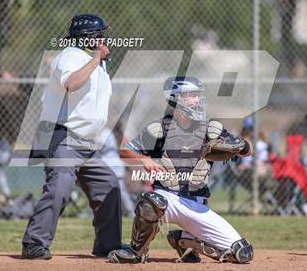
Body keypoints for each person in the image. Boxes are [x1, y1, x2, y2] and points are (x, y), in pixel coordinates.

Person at [108, 76, 254, 264]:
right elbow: (124, 152)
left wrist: (239, 145)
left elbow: (246, 151)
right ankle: (137, 251)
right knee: (151, 202)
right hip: (168, 199)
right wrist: (144, 159)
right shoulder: (159, 128)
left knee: (243, 253)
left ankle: (184, 240)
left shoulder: (211, 129)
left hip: (197, 205)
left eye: (198, 96)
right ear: (176, 98)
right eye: (192, 95)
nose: (198, 100)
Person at [22, 14, 122, 259]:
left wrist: (97, 60)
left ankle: (108, 246)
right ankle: (33, 243)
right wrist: (97, 58)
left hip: (87, 142)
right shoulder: (68, 56)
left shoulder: (94, 63)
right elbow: (71, 83)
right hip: (63, 136)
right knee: (61, 185)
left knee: (108, 186)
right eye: (98, 35)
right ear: (86, 37)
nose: (102, 39)